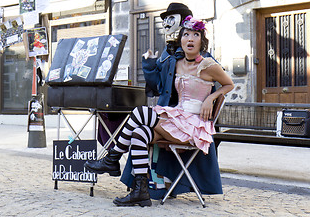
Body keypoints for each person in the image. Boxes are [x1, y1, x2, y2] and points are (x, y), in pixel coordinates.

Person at [84, 15, 234, 207]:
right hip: (177, 119)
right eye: (186, 34)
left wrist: (211, 98)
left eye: (195, 35)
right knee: (139, 133)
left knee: (139, 113)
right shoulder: (177, 63)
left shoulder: (208, 65)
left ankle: (112, 158)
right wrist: (150, 62)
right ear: (180, 40)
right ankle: (140, 192)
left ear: (202, 41)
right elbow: (156, 83)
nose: (190, 39)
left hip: (192, 126)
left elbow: (229, 84)